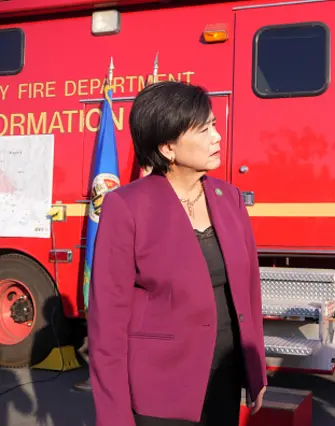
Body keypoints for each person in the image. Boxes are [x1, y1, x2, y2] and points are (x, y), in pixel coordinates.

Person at [87, 81, 267, 426]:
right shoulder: (126, 206)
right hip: (159, 391)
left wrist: (255, 371)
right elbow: (106, 323)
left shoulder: (229, 198)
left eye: (214, 125)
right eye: (204, 130)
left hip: (224, 381)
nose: (217, 137)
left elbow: (249, 293)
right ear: (168, 147)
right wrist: (114, 414)